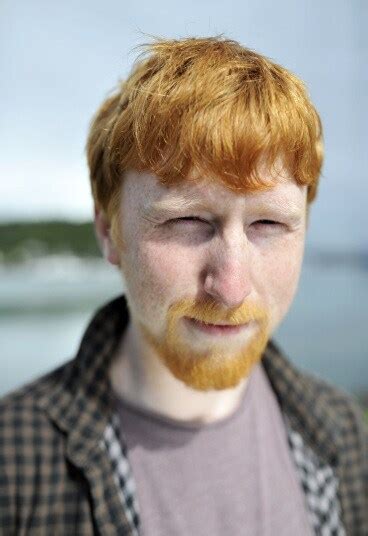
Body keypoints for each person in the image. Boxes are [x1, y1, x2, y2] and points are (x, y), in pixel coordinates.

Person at [0, 36, 366, 535]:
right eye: (188, 221)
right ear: (110, 231)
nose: (231, 288)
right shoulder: (14, 464)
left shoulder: (342, 431)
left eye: (269, 225)